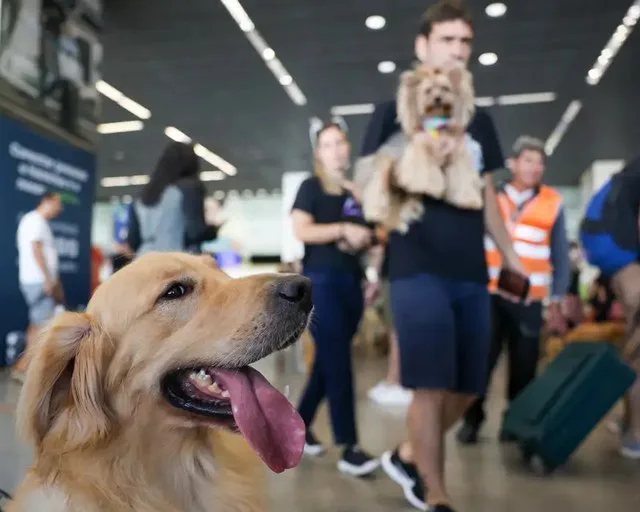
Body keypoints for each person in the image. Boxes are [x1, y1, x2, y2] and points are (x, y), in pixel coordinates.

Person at [361, 2, 524, 510]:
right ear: (423, 46)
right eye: (447, 40)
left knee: (472, 384)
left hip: (471, 268)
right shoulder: (392, 113)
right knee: (429, 384)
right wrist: (412, 163)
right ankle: (437, 492)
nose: (457, 50)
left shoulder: (480, 120)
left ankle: (409, 453)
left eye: (464, 42)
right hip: (415, 266)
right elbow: (365, 185)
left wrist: (512, 256)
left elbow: (490, 196)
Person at [457, 136, 571, 444]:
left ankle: (514, 421)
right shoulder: (492, 195)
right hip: (490, 294)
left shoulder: (552, 202)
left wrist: (557, 298)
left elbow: (560, 254)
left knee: (525, 365)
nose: (535, 168)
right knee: (481, 361)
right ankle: (472, 419)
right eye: (529, 161)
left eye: (540, 162)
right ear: (514, 163)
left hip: (530, 298)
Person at [291, 121, 380, 477]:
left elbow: (374, 234)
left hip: (352, 282)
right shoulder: (310, 187)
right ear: (318, 152)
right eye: (328, 144)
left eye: (340, 142)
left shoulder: (358, 191)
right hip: (322, 280)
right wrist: (341, 230)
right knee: (339, 361)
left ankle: (298, 426)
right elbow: (302, 230)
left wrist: (370, 263)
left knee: (328, 363)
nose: (336, 149)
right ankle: (349, 446)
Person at [580, 157, 640, 459]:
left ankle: (629, 422)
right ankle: (633, 432)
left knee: (635, 334)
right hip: (615, 242)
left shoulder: (629, 172)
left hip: (602, 239)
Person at [127, 141, 219, 255]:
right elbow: (194, 233)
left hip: (144, 259)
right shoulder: (189, 188)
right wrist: (212, 231)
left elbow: (133, 240)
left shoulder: (141, 196)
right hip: (175, 259)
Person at [13, 191, 64, 382]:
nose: (59, 209)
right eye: (57, 204)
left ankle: (24, 367)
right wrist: (48, 279)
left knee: (37, 325)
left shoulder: (38, 222)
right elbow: (36, 250)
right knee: (42, 327)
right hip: (38, 281)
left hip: (39, 280)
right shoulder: (34, 221)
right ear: (47, 201)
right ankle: (25, 368)